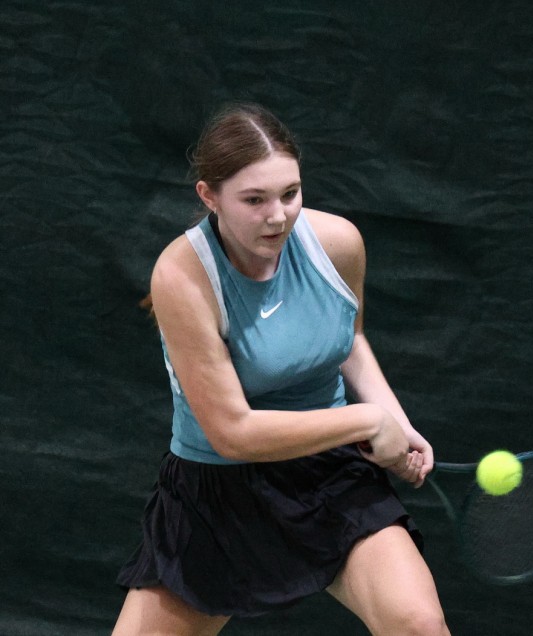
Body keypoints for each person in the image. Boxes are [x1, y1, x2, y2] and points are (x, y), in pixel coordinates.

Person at [113, 103, 451, 636]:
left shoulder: (338, 244)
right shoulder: (181, 276)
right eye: (254, 200)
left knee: (419, 625)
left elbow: (348, 338)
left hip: (328, 475)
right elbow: (233, 432)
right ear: (209, 196)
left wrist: (397, 420)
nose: (278, 216)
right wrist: (368, 422)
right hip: (216, 494)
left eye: (290, 193)